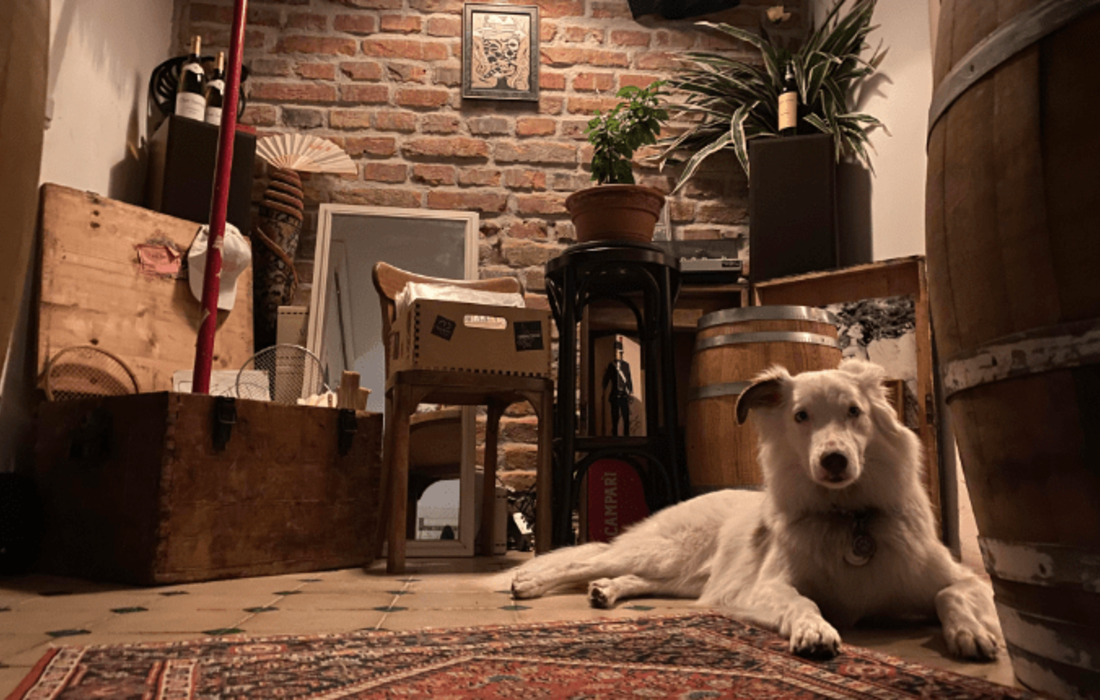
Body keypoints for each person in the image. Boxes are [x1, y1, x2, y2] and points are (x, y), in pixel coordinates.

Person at [601, 338, 634, 436]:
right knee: (614, 418)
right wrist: (603, 388)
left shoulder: (626, 365)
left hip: (624, 395)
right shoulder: (611, 365)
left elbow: (628, 378)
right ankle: (615, 437)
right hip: (614, 395)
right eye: (614, 352)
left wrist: (630, 391)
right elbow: (606, 379)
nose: (615, 354)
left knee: (626, 417)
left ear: (621, 353)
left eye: (617, 352)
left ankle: (626, 437)